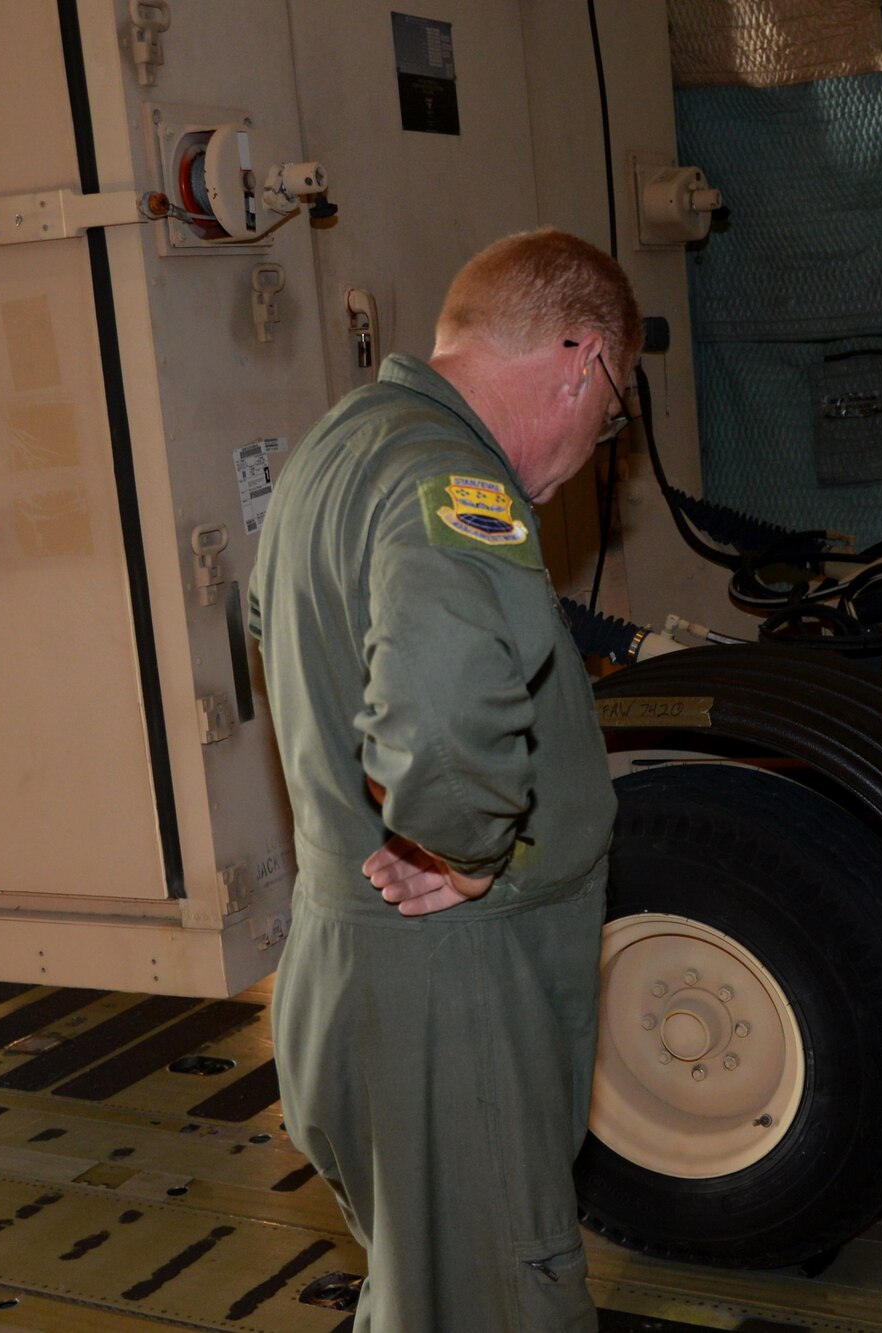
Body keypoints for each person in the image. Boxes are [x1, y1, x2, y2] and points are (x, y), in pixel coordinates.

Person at [247, 228, 640, 1332]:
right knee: (499, 1299)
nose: (588, 448)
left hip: (358, 970)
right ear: (582, 362)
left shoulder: (340, 449)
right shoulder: (450, 480)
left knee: (429, 1291)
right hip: (453, 991)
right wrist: (460, 847)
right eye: (608, 417)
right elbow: (443, 698)